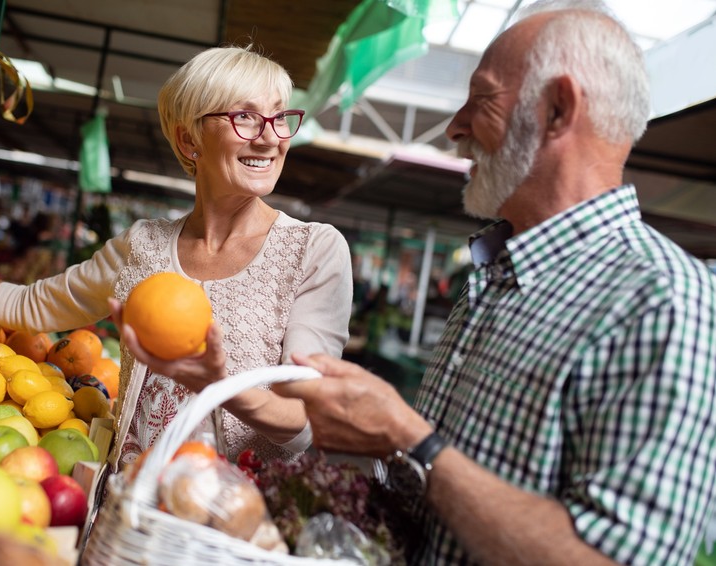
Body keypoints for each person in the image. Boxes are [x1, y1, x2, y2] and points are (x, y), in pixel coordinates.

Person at [273, 2, 716, 565]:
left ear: (557, 110)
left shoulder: (663, 302)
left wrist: (406, 437)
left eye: (480, 99)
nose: (455, 126)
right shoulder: (495, 274)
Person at [0, 44, 353, 472]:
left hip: (233, 529)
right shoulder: (142, 246)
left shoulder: (313, 251)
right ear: (189, 140)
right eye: (244, 117)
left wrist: (220, 384)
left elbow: (306, 421)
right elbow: (29, 305)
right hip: (126, 517)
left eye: (279, 116)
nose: (270, 137)